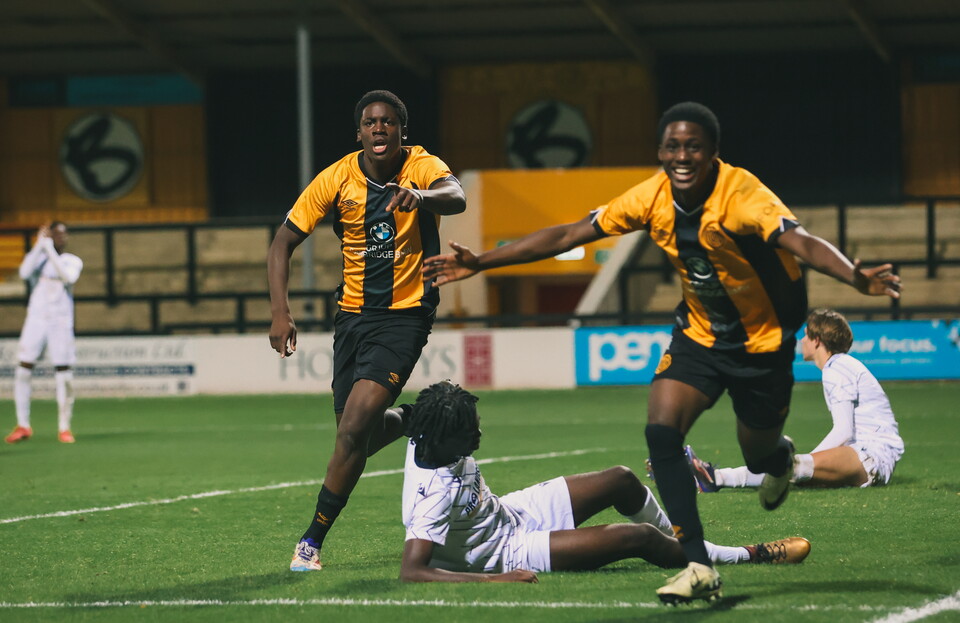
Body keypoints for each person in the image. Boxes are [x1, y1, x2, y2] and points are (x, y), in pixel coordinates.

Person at [421, 102, 901, 602]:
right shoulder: (650, 196)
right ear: (660, 151)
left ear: (714, 152)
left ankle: (779, 462)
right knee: (661, 431)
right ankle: (697, 565)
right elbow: (569, 233)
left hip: (761, 344)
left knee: (759, 452)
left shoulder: (742, 193)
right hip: (698, 333)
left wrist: (854, 277)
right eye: (672, 146)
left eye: (693, 146)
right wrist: (483, 262)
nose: (682, 155)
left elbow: (800, 241)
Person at [268, 90, 466, 571]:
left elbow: (456, 196)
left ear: (402, 131)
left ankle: (311, 541)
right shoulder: (337, 178)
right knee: (354, 434)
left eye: (388, 122)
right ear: (359, 133)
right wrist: (280, 310)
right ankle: (411, 420)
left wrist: (420, 196)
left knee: (353, 431)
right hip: (352, 317)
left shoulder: (421, 166)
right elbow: (282, 242)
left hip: (406, 315)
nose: (379, 128)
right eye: (370, 122)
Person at [400, 381, 811, 593]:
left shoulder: (425, 426)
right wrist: (494, 582)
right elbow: (411, 571)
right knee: (637, 539)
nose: (478, 435)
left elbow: (378, 423)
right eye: (469, 433)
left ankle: (678, 545)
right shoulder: (432, 496)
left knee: (621, 479)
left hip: (509, 512)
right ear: (443, 437)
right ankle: (749, 555)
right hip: (506, 552)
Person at [685, 308, 904, 492]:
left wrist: (813, 459)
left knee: (793, 467)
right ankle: (711, 478)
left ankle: (715, 478)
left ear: (817, 341)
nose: (803, 340)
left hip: (872, 456)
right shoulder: (841, 365)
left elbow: (844, 430)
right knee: (793, 471)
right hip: (868, 455)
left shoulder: (837, 368)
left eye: (807, 335)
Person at [6, 221, 83, 445]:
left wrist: (48, 249)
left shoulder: (71, 261)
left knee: (63, 373)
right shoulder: (39, 259)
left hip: (60, 322)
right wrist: (39, 245)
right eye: (53, 234)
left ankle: (64, 427)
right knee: (23, 369)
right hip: (36, 319)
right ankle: (23, 425)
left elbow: (68, 278)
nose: (59, 238)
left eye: (61, 234)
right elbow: (23, 272)